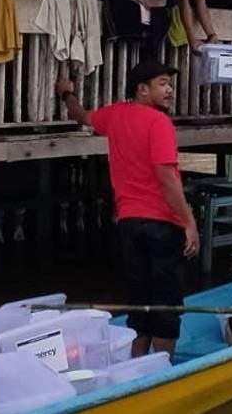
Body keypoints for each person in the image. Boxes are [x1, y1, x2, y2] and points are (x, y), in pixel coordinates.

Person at [56, 61, 200, 358]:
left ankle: (138, 364)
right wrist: (189, 223)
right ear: (142, 89)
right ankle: (163, 367)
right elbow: (167, 177)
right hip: (162, 224)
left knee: (139, 300)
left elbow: (81, 115)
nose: (170, 90)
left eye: (170, 84)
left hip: (129, 224)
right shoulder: (159, 122)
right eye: (163, 83)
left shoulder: (115, 114)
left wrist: (66, 94)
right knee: (166, 304)